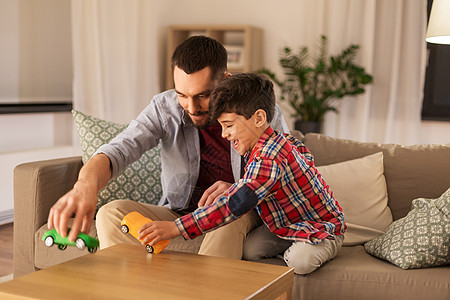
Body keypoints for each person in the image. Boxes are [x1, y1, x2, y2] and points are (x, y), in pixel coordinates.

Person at [47, 36, 289, 259]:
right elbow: (119, 149)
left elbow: (286, 175)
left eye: (203, 95)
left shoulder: (259, 113)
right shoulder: (165, 109)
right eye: (182, 94)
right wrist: (84, 186)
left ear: (225, 81)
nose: (191, 107)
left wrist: (240, 189)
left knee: (229, 210)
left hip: (240, 214)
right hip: (179, 213)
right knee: (111, 213)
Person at [139, 73, 346, 274]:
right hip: (285, 224)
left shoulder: (270, 157)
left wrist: (176, 228)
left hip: (320, 227)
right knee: (250, 251)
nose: (224, 134)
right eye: (221, 126)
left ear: (258, 118)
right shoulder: (269, 142)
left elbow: (234, 204)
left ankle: (320, 245)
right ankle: (294, 245)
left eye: (228, 126)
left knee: (300, 261)